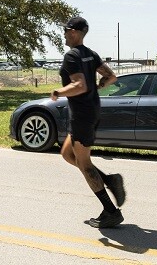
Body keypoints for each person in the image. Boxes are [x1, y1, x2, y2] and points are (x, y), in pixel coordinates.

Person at [50, 16, 126, 228]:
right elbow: (111, 76)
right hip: (90, 110)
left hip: (82, 114)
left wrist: (59, 91)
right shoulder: (90, 54)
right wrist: (100, 85)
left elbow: (80, 85)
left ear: (74, 31)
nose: (64, 34)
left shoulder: (72, 55)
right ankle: (109, 180)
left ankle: (111, 211)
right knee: (67, 154)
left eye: (66, 30)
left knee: (84, 164)